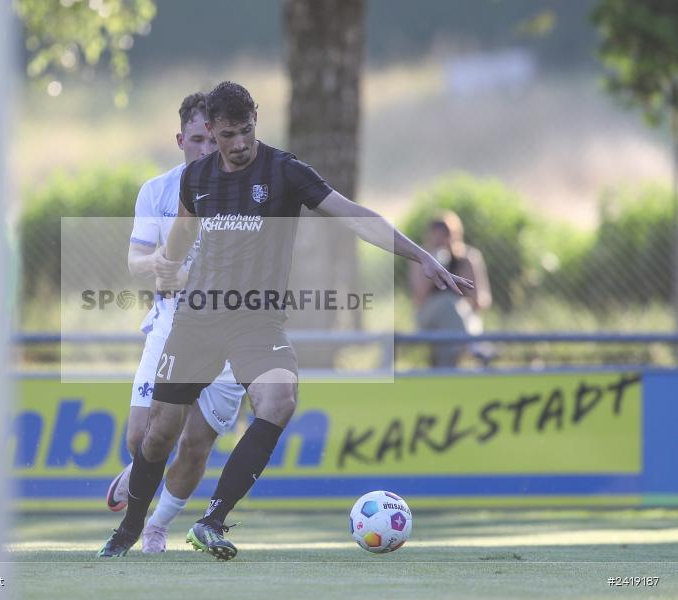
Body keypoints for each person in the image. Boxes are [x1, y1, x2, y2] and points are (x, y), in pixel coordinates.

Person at [98, 81, 473, 560]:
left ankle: (211, 520)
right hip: (198, 321)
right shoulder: (197, 179)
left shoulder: (284, 171)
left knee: (280, 397)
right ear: (211, 130)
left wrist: (421, 257)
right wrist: (167, 268)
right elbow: (180, 235)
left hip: (256, 321)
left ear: (257, 119)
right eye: (228, 134)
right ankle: (128, 531)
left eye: (247, 130)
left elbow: (354, 215)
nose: (239, 143)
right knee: (158, 434)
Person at [102, 93, 245, 553]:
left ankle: (157, 527)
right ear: (181, 139)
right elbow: (135, 260)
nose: (207, 150)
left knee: (195, 443)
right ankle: (138, 469)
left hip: (229, 331)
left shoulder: (243, 189)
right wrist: (162, 267)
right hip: (170, 324)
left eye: (213, 140)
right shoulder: (157, 191)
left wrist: (189, 275)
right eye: (198, 140)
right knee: (142, 437)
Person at [409, 211, 492, 367]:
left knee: (452, 308)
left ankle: (446, 365)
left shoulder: (469, 257)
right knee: (447, 304)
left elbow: (480, 301)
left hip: (464, 317)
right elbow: (419, 298)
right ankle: (472, 347)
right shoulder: (420, 258)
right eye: (436, 234)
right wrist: (435, 267)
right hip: (430, 318)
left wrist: (459, 271)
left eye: (446, 234)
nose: (441, 239)